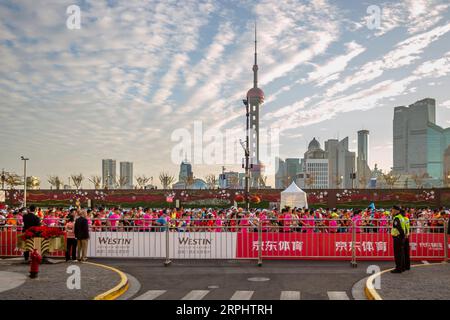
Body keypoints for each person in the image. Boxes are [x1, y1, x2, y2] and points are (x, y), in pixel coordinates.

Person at [391, 205, 406, 273]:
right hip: (401, 237)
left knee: (397, 254)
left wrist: (401, 236)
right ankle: (402, 267)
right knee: (401, 253)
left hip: (398, 237)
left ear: (396, 210)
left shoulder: (397, 218)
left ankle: (398, 268)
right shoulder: (401, 217)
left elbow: (399, 228)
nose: (392, 211)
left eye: (393, 210)